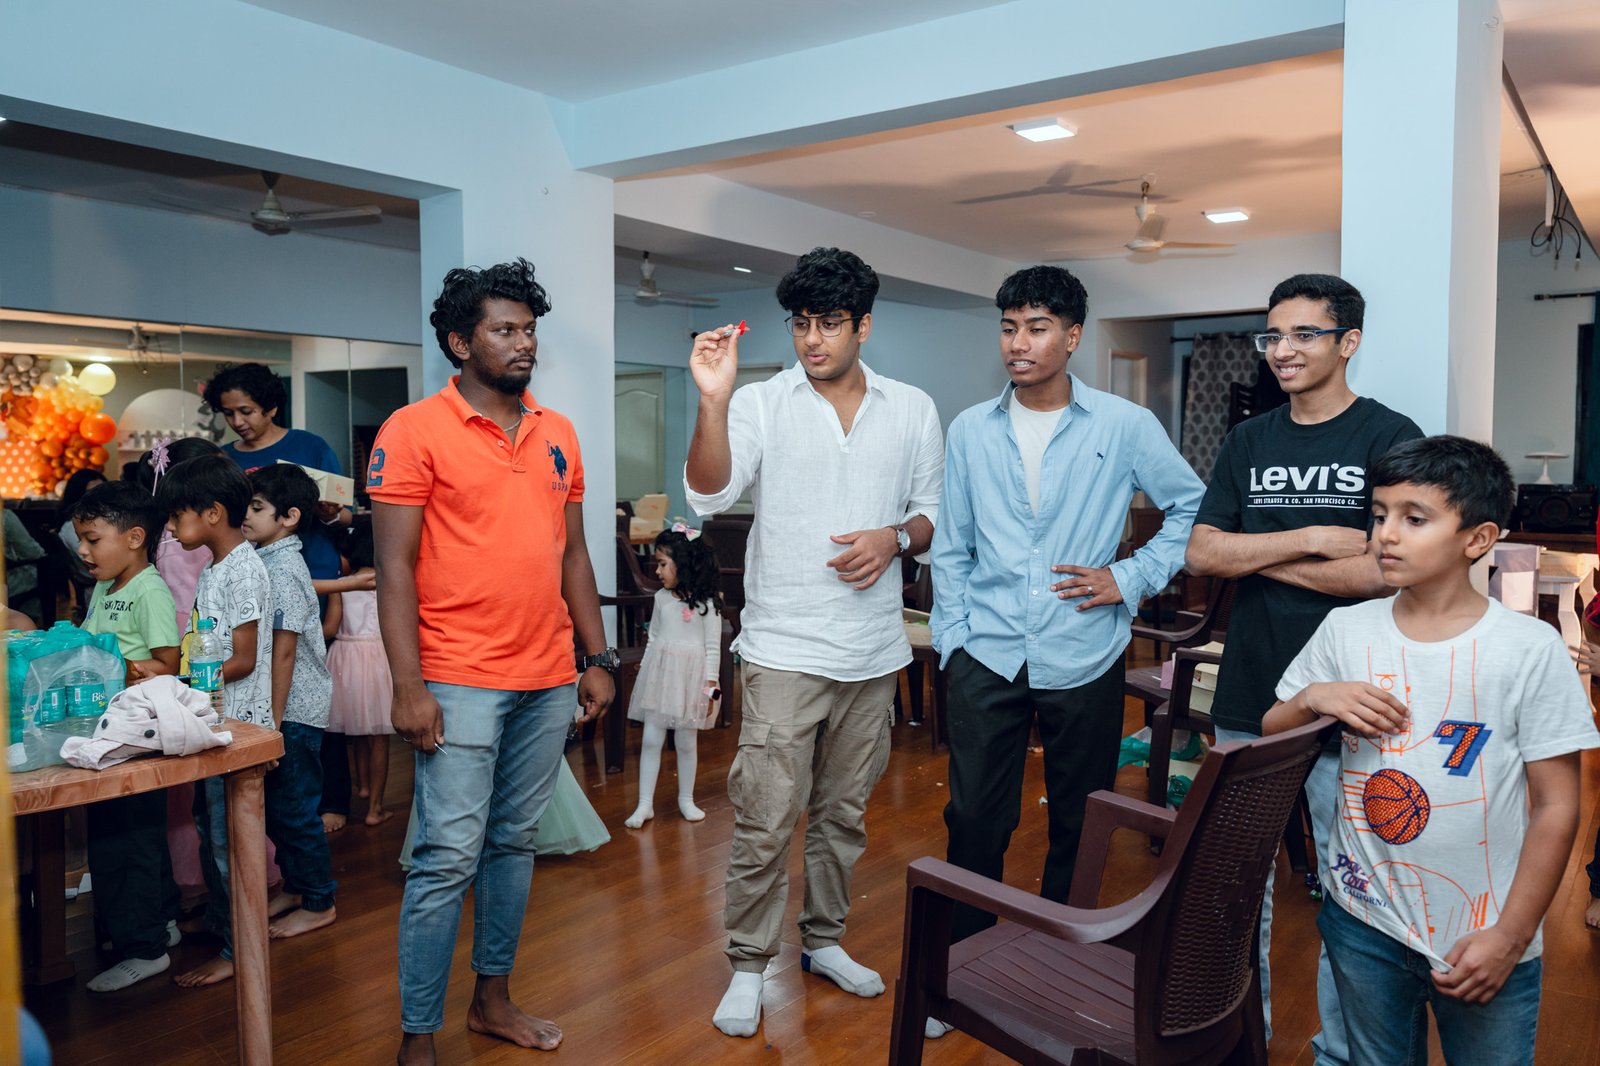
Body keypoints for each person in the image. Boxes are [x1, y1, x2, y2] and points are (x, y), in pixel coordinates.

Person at [1264, 435, 1599, 1066]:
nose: (1386, 534)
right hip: (1363, 920)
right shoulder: (1346, 630)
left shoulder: (1528, 649)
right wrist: (1315, 697)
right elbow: (1272, 729)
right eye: (1379, 514)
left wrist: (1511, 936)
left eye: (1414, 518)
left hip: (1482, 933)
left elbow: (1558, 807)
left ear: (1478, 538)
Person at [927, 265, 1203, 1028]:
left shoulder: (1124, 425)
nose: (1019, 343)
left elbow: (1190, 507)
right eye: (1009, 327)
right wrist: (952, 638)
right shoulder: (970, 429)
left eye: (1038, 327)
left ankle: (1057, 966)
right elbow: (952, 543)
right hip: (986, 652)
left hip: (1084, 651)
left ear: (1073, 336)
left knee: (1080, 822)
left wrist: (1129, 577)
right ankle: (962, 973)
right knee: (974, 819)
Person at [685, 246, 944, 1038]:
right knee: (765, 818)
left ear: (863, 325)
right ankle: (748, 965)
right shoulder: (762, 403)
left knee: (842, 818)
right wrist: (713, 402)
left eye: (829, 323)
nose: (812, 339)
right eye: (800, 323)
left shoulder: (911, 408)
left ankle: (824, 941)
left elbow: (933, 514)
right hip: (783, 649)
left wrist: (894, 538)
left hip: (873, 652)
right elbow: (708, 492)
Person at [370, 258, 615, 1065]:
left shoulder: (557, 432)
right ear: (459, 341)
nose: (523, 343)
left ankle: (492, 1000)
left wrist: (596, 657)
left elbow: (573, 555)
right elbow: (395, 569)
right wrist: (408, 685)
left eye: (529, 329)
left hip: (546, 676)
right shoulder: (412, 431)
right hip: (456, 677)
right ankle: (418, 1035)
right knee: (446, 857)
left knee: (513, 843)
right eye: (504, 330)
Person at [1184, 273, 1423, 1059]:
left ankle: (1342, 1053)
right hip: (1251, 691)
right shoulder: (1249, 440)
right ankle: (1240, 1044)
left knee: (1357, 893)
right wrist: (1314, 539)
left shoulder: (1390, 437)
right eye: (1272, 335)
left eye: (1303, 334)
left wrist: (1257, 555)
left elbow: (1385, 571)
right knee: (1234, 890)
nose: (1281, 350)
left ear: (1348, 341)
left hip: (1357, 701)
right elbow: (1202, 552)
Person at [155, 453, 275, 988]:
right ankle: (220, 921)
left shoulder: (245, 569)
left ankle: (237, 949)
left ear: (211, 513)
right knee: (210, 829)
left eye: (176, 516)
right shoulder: (216, 566)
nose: (170, 528)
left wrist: (185, 684)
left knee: (230, 845)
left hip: (238, 727)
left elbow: (244, 659)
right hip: (214, 720)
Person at [71, 480, 182, 991]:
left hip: (135, 733)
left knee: (125, 840)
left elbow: (168, 663)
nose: (82, 550)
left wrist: (117, 666)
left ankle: (145, 949)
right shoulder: (106, 586)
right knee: (138, 832)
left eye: (92, 539)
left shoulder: (149, 590)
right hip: (113, 727)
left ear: (135, 538)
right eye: (81, 538)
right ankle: (162, 921)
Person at [243, 464, 338, 940]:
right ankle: (298, 886)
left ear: (289, 517)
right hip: (283, 708)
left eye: (257, 507)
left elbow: (284, 652)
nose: (246, 515)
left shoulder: (282, 569)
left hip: (293, 710)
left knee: (296, 810)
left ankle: (320, 901)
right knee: (280, 808)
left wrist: (272, 723)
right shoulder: (266, 560)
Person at [624, 525, 723, 829]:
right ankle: (644, 804)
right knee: (651, 739)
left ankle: (686, 799)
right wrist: (646, 669)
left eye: (663, 564)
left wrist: (711, 691)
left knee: (686, 741)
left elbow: (713, 650)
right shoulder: (661, 599)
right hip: (661, 679)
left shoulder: (708, 605)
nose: (657, 571)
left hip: (693, 684)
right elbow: (653, 638)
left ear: (684, 564)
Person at [324, 521, 395, 826]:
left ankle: (363, 786)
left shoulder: (342, 584)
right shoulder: (390, 583)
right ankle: (375, 808)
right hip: (378, 656)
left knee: (356, 728)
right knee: (379, 737)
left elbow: (330, 627)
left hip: (345, 657)